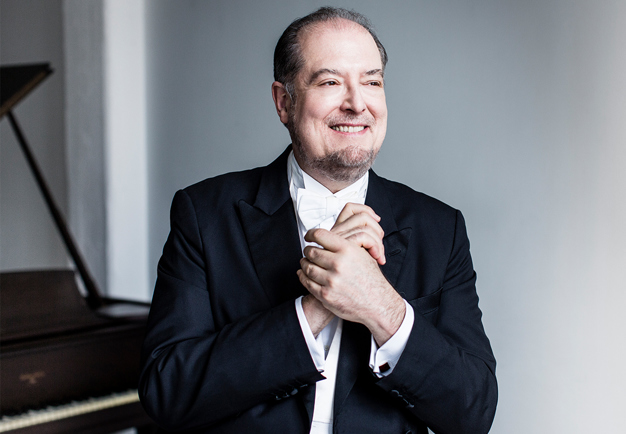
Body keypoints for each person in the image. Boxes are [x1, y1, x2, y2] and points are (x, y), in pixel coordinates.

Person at [139, 7, 497, 434]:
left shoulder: (441, 227)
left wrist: (381, 307)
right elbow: (167, 393)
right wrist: (316, 306)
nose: (357, 103)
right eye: (330, 82)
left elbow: (472, 413)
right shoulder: (204, 213)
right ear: (284, 101)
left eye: (372, 82)